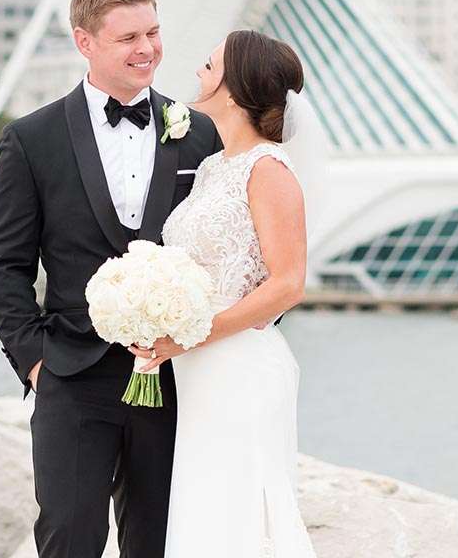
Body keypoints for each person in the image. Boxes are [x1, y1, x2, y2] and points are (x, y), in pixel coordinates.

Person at [0, 0, 222, 558]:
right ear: (85, 42)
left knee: (161, 541)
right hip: (71, 373)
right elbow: (4, 264)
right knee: (68, 537)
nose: (148, 50)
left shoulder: (199, 134)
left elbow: (225, 248)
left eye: (154, 33)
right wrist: (36, 363)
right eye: (128, 38)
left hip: (173, 377)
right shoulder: (31, 139)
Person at [134, 29, 318, 557]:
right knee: (201, 511)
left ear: (235, 90)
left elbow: (288, 283)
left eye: (210, 66)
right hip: (195, 370)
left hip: (237, 368)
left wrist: (193, 335)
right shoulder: (215, 167)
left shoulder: (270, 172)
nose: (198, 72)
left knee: (235, 510)